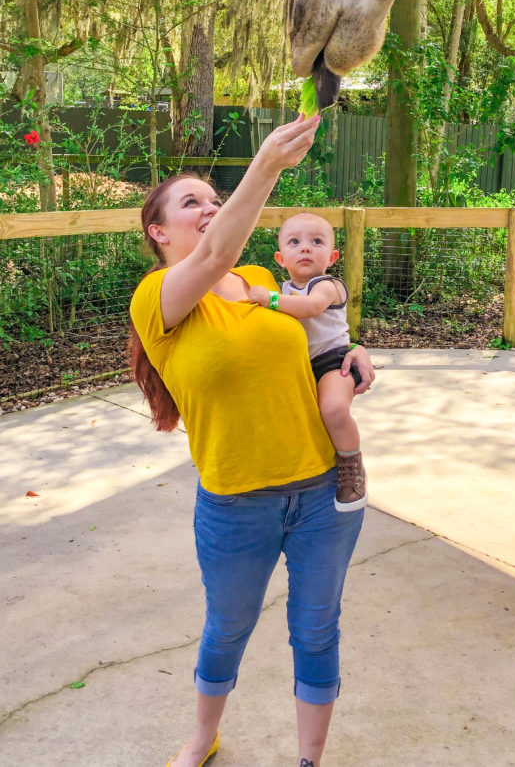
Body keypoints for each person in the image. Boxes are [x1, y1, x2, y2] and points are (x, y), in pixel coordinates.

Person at [128, 114, 375, 767]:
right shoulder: (159, 299)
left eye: (217, 200)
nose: (210, 210)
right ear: (158, 231)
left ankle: (308, 760)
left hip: (322, 490)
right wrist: (264, 165)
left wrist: (353, 355)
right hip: (237, 502)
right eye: (192, 203)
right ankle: (202, 735)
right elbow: (211, 258)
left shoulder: (263, 280)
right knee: (228, 629)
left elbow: (313, 338)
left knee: (317, 632)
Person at [247, 212, 367, 512]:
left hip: (334, 361)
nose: (305, 248)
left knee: (334, 409)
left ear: (332, 256)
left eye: (316, 241)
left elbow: (311, 307)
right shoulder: (284, 289)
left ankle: (351, 466)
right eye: (294, 242)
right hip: (299, 366)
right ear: (280, 257)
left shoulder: (328, 285)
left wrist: (270, 300)